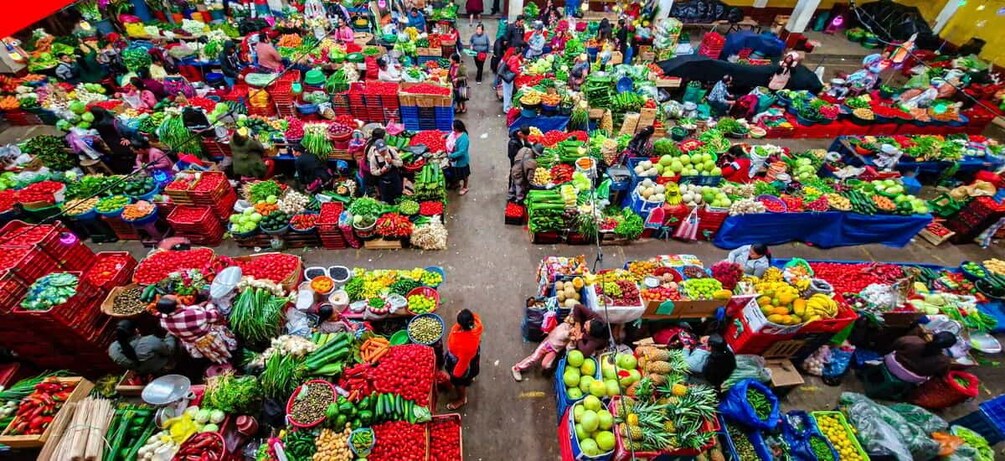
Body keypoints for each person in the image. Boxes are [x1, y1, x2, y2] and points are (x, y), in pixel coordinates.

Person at [512, 303, 608, 381]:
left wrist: (575, 340)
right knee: (534, 358)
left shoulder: (590, 338)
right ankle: (517, 368)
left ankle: (551, 368)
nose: (585, 324)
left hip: (555, 349)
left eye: (586, 327)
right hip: (548, 344)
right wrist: (574, 329)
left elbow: (571, 349)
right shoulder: (564, 329)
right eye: (587, 323)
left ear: (590, 333)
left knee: (545, 365)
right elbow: (576, 308)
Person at [157, 295, 237, 364]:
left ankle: (219, 361)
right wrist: (210, 305)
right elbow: (215, 316)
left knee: (213, 355)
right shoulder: (192, 314)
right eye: (176, 298)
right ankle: (232, 357)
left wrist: (198, 307)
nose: (178, 297)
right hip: (211, 338)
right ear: (177, 306)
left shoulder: (163, 321)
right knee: (224, 347)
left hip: (194, 344)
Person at [443, 309, 483, 410]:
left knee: (459, 382)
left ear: (461, 325)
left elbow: (463, 363)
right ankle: (470, 378)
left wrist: (456, 376)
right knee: (472, 370)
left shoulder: (465, 345)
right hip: (472, 355)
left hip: (462, 362)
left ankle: (462, 399)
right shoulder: (476, 324)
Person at [108, 320, 178, 375]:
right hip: (160, 368)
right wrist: (170, 334)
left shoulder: (112, 349)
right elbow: (169, 350)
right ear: (136, 331)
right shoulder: (149, 341)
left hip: (142, 371)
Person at [889, 332, 956, 381]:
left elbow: (894, 345)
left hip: (891, 363)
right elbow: (941, 375)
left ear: (933, 336)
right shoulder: (944, 361)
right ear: (948, 347)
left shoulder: (913, 340)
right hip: (910, 378)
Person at [91, 107, 136, 174]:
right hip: (124, 145)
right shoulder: (113, 122)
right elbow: (129, 131)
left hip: (114, 148)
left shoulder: (96, 124)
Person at [366, 128, 404, 203]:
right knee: (387, 198)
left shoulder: (391, 150)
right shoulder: (374, 158)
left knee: (398, 193)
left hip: (395, 178)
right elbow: (373, 172)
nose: (383, 152)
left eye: (384, 150)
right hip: (383, 181)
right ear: (377, 150)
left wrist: (392, 161)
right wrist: (381, 171)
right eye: (381, 151)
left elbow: (400, 163)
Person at [447, 120, 471, 195]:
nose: (451, 127)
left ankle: (465, 188)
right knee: (456, 173)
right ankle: (457, 184)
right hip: (455, 160)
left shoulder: (464, 138)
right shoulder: (455, 133)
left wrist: (450, 155)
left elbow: (462, 151)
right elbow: (451, 137)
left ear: (457, 129)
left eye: (453, 126)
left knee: (464, 175)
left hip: (462, 161)